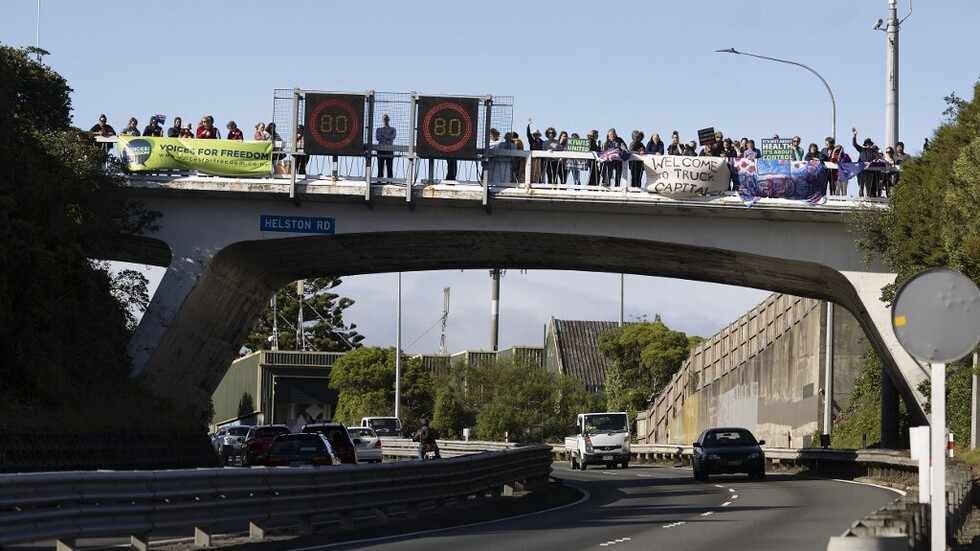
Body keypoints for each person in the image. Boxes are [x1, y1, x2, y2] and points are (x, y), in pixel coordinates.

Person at [851, 127, 880, 197]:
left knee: (868, 186)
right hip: (861, 170)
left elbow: (879, 158)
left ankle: (868, 198)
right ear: (865, 145)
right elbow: (854, 144)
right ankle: (861, 198)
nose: (868, 145)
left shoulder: (874, 152)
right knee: (861, 186)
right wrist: (854, 136)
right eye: (867, 144)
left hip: (870, 171)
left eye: (869, 144)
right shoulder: (862, 150)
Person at [376, 114, 396, 180]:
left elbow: (393, 137)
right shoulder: (378, 129)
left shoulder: (393, 129)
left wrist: (384, 137)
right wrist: (387, 138)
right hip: (380, 149)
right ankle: (379, 180)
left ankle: (390, 180)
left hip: (389, 149)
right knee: (380, 166)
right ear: (382, 120)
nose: (385, 120)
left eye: (386, 119)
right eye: (384, 119)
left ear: (389, 120)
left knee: (389, 166)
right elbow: (378, 138)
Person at [525, 119, 543, 183]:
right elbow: (528, 135)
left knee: (540, 171)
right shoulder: (532, 141)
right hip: (533, 158)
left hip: (540, 159)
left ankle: (540, 183)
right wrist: (528, 125)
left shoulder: (541, 141)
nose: (536, 135)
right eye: (535, 134)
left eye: (537, 134)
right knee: (533, 171)